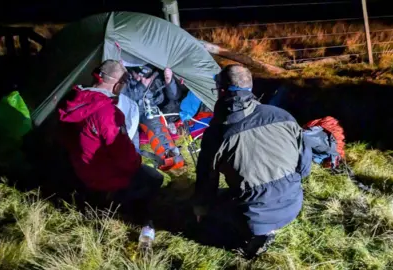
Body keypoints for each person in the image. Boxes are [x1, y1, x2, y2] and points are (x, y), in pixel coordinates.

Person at [192, 64, 312, 258]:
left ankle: (255, 237)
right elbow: (305, 167)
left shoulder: (217, 132)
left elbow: (207, 180)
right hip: (293, 204)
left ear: (221, 92)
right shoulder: (283, 116)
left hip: (253, 216)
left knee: (207, 220)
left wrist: (201, 210)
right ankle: (266, 225)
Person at [57, 59, 164, 226]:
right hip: (101, 177)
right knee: (154, 178)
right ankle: (127, 214)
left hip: (77, 169)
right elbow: (125, 158)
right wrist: (138, 160)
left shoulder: (71, 101)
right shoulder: (108, 112)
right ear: (118, 85)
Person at [121, 64, 184, 171]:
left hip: (135, 90)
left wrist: (140, 84)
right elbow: (174, 100)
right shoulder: (173, 119)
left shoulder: (135, 128)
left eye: (167, 154)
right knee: (174, 98)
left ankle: (129, 74)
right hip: (154, 82)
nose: (168, 151)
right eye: (172, 152)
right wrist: (169, 81)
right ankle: (165, 79)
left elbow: (123, 102)